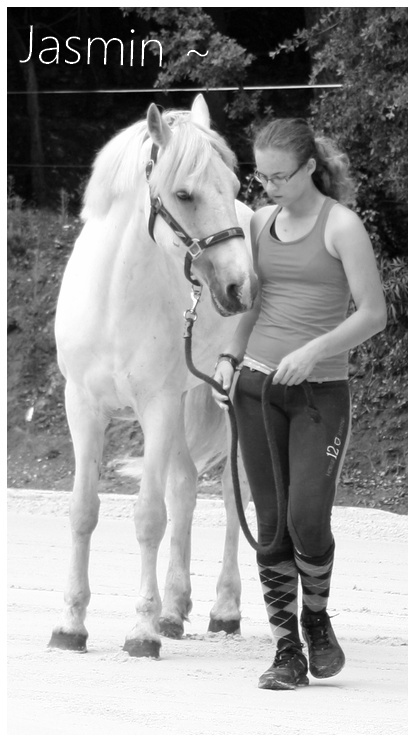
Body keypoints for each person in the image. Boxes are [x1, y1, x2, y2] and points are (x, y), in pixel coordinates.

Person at [213, 118, 387, 691]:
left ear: (309, 167)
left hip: (318, 394)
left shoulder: (343, 227)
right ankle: (287, 648)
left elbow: (372, 313)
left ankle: (316, 616)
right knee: (270, 526)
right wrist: (229, 360)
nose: (268, 188)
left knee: (306, 518)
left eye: (279, 176)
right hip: (256, 391)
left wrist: (314, 352)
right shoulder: (260, 223)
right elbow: (251, 305)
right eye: (260, 177)